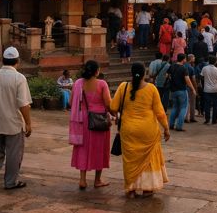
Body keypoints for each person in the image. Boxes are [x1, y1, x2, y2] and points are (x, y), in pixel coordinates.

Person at [110, 63, 170, 198]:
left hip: (128, 130)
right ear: (144, 74)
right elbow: (160, 112)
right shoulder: (152, 89)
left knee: (130, 160)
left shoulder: (123, 87)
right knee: (148, 160)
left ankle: (131, 189)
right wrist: (166, 129)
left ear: (131, 73)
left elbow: (113, 107)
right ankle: (147, 189)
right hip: (148, 130)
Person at [0, 47, 32, 190]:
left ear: (3, 60)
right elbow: (24, 104)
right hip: (13, 124)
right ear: (18, 61)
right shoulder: (19, 78)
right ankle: (10, 182)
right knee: (14, 154)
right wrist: (28, 123)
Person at [69, 60, 111, 189]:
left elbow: (71, 102)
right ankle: (97, 180)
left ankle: (82, 180)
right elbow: (108, 103)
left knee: (83, 148)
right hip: (99, 120)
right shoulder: (102, 84)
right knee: (100, 149)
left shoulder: (78, 84)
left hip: (83, 120)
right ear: (96, 71)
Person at [167, 54, 196, 131]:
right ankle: (179, 126)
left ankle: (171, 124)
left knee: (175, 107)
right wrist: (193, 89)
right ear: (183, 59)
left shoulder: (171, 66)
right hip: (182, 90)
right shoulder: (184, 68)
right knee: (183, 108)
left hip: (173, 90)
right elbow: (187, 80)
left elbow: (167, 75)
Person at [201, 55, 217, 124]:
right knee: (215, 105)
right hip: (215, 90)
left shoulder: (204, 68)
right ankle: (214, 120)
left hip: (207, 90)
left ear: (208, 61)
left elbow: (201, 77)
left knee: (207, 105)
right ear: (215, 62)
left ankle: (207, 119)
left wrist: (204, 83)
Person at [184, 54, 199, 124]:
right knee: (192, 102)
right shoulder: (191, 68)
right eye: (194, 57)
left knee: (186, 103)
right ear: (191, 59)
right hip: (190, 87)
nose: (195, 58)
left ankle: (185, 117)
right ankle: (191, 117)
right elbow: (193, 80)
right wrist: (195, 88)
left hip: (183, 86)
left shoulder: (183, 66)